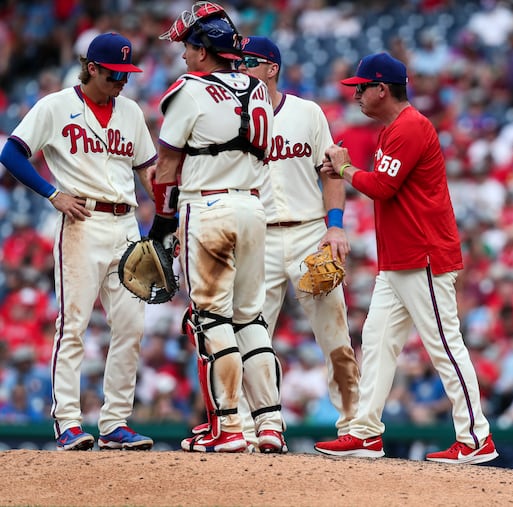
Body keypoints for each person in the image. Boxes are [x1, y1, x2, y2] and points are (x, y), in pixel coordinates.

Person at [313, 52, 497, 464]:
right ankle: (364, 433)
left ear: (383, 88)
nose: (356, 94)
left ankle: (475, 437)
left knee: (445, 347)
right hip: (397, 260)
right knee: (377, 343)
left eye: (362, 87)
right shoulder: (393, 129)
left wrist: (343, 170)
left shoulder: (411, 126)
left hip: (424, 256)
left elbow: (381, 188)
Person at [0, 32, 156, 451]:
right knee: (73, 327)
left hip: (126, 227)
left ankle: (115, 423)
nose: (120, 82)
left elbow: (148, 169)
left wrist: (165, 218)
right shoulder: (55, 106)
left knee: (131, 326)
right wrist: (52, 194)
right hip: (82, 223)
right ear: (91, 67)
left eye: (126, 75)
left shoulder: (131, 111)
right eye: (113, 74)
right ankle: (68, 421)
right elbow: (12, 153)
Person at [152, 2, 285, 453]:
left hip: (206, 208)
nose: (185, 56)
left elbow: (167, 165)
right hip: (252, 208)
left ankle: (227, 427)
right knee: (252, 318)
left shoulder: (189, 91)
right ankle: (269, 424)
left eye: (189, 47)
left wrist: (160, 225)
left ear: (205, 50)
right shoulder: (256, 87)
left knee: (211, 319)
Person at [234, 36, 359, 438]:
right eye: (238, 62)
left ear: (272, 68)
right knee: (250, 339)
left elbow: (332, 172)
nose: (241, 68)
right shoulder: (230, 117)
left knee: (336, 337)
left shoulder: (307, 113)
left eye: (250, 62)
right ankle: (251, 428)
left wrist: (335, 225)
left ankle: (353, 426)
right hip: (258, 237)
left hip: (308, 233)